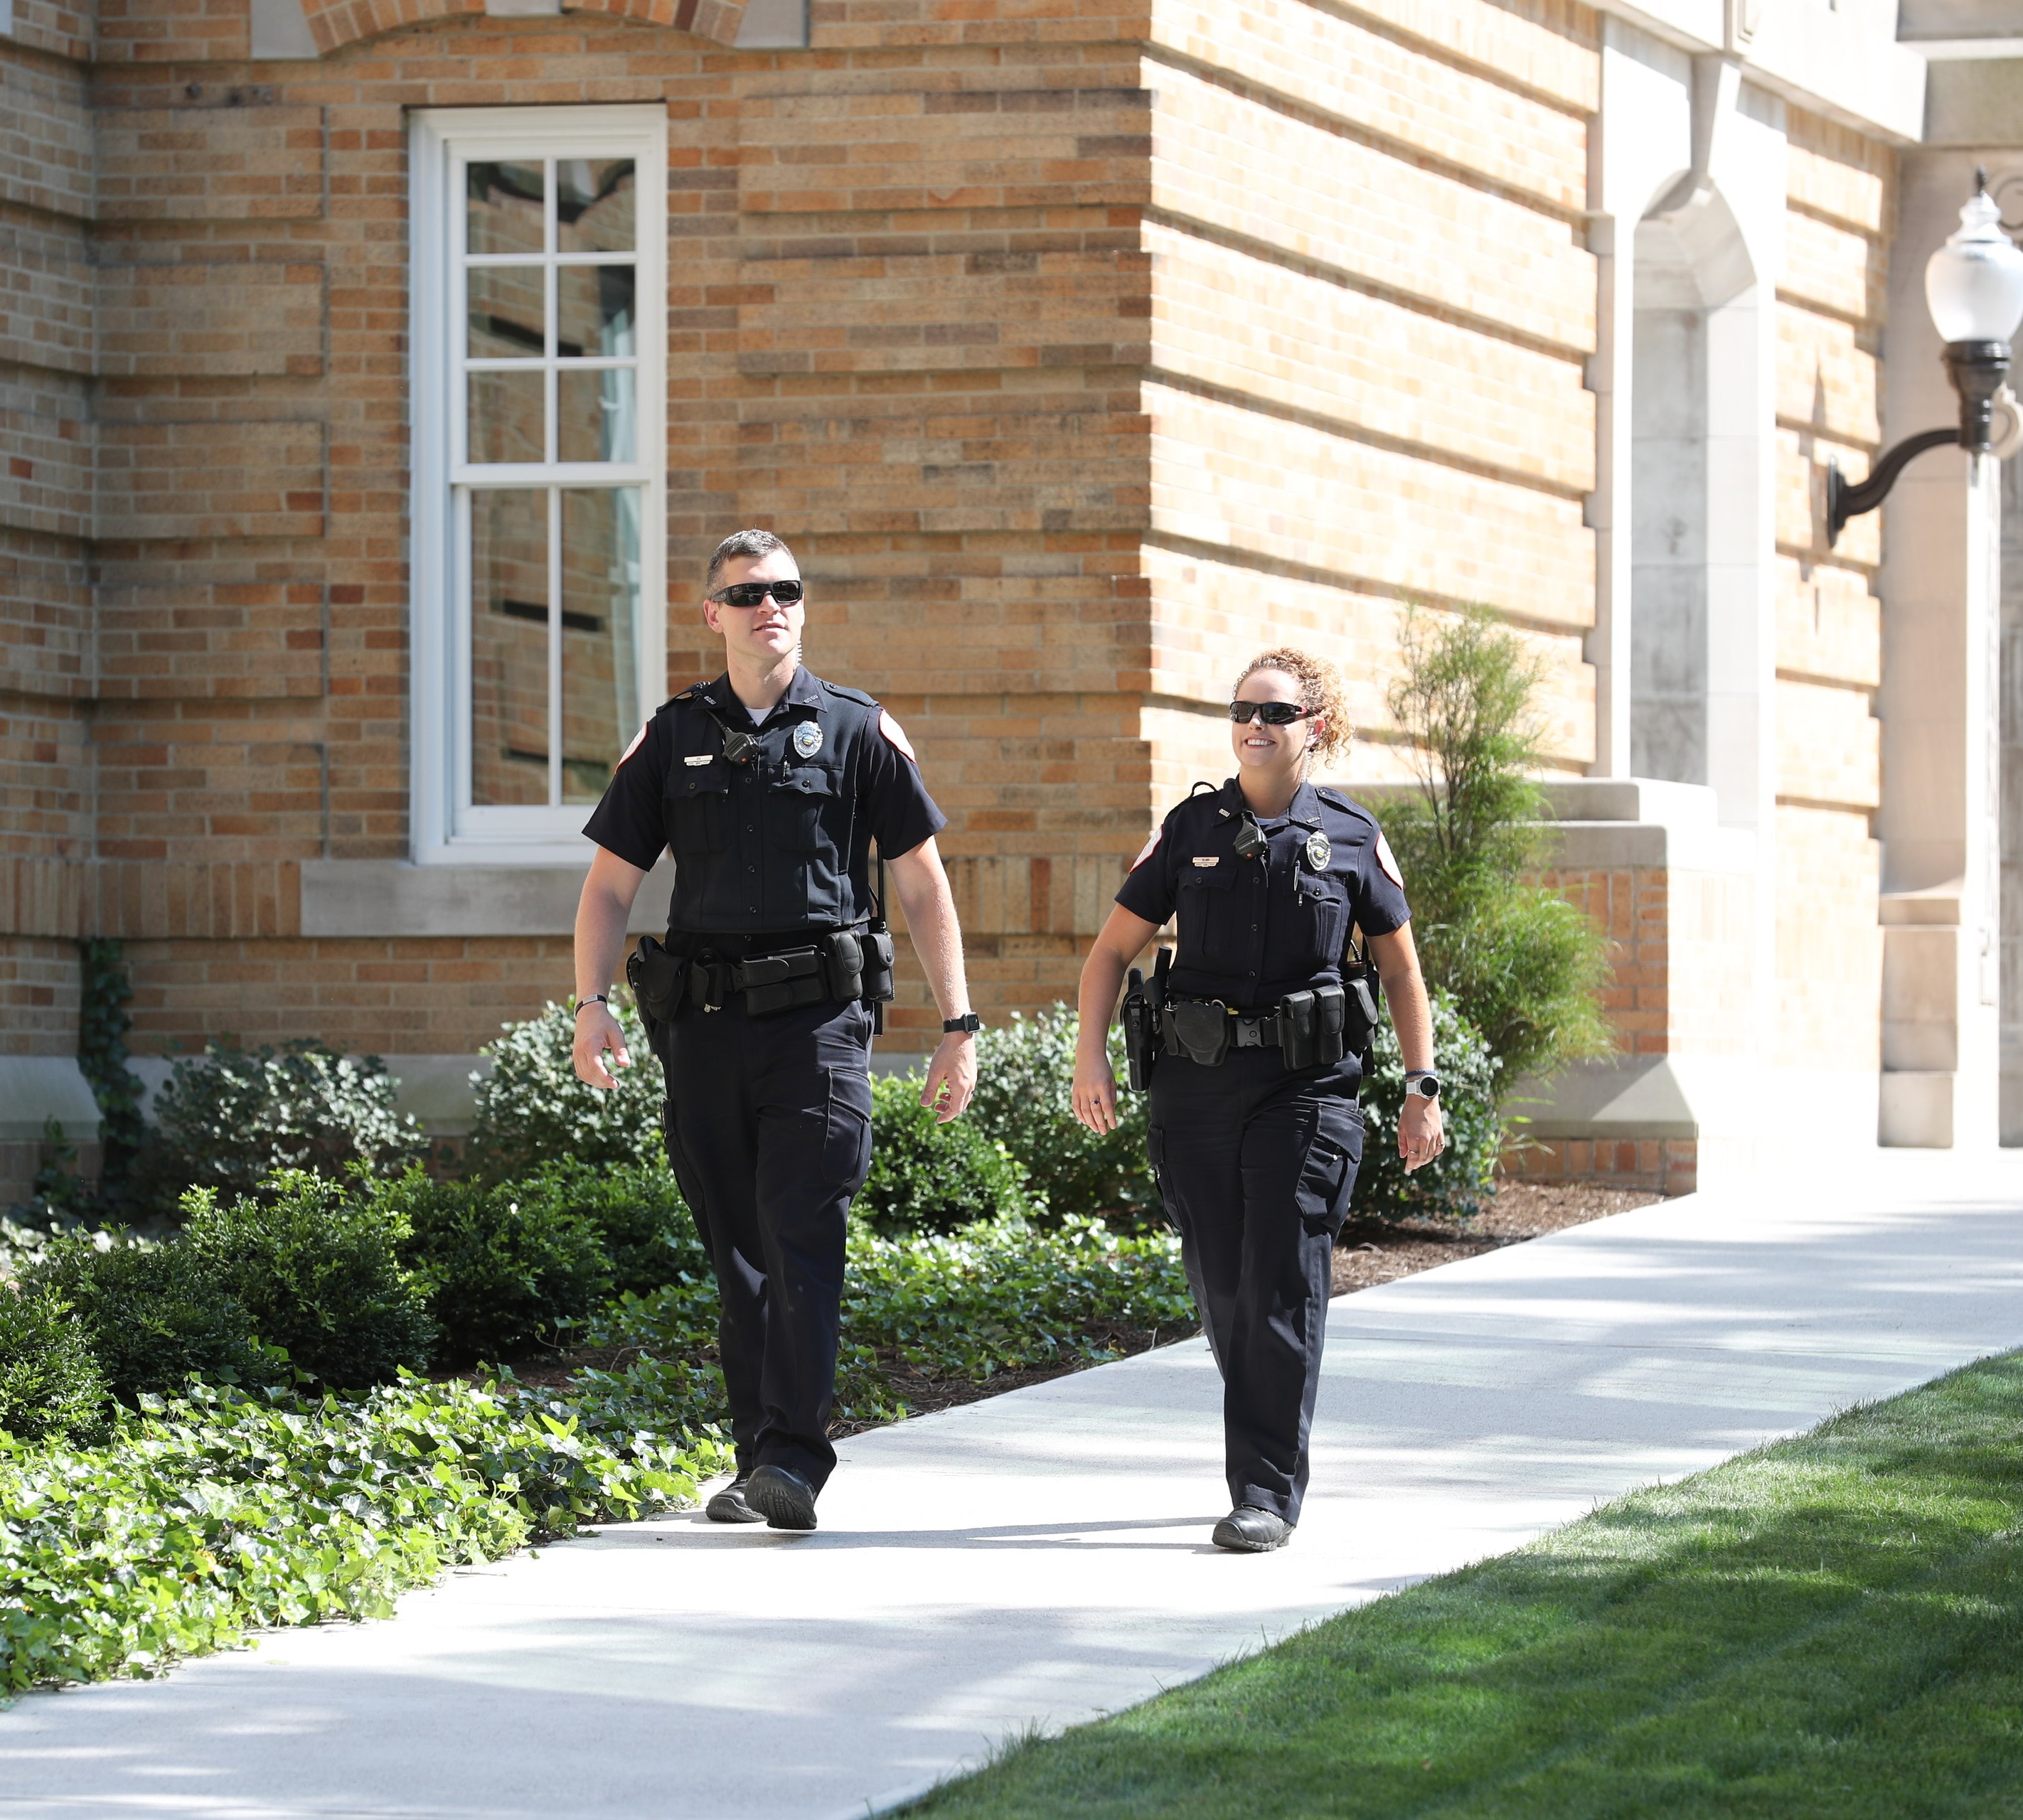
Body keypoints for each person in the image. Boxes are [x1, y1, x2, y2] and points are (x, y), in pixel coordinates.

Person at [570, 528, 982, 1533]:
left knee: (802, 1234)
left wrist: (958, 1020)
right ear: (711, 612)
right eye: (749, 593)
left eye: (787, 591)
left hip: (819, 1028)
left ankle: (796, 1457)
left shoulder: (854, 730)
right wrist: (589, 1006)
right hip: (702, 1031)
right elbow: (610, 886)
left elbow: (921, 883)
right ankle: (758, 1455)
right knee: (738, 1251)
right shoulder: (672, 737)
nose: (772, 607)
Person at [1069, 649, 1445, 1553]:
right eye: (1243, 709)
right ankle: (1262, 1416)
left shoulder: (1351, 836)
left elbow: (1401, 970)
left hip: (1307, 1093)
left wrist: (1420, 1087)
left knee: (1281, 1280)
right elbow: (1109, 954)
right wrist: (1092, 1059)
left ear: (1314, 726)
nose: (1254, 725)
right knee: (1224, 1285)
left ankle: (1265, 1491)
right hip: (1195, 1091)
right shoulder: (1190, 826)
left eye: (1275, 712)